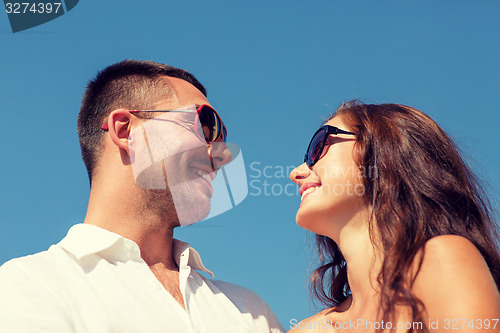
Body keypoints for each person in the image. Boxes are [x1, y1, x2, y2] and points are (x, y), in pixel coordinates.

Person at [0, 59, 284, 333]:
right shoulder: (26, 289)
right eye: (206, 124)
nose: (222, 154)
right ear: (125, 130)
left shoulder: (251, 311)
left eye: (221, 136)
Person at [288, 101, 500, 332]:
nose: (295, 173)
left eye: (318, 146)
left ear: (384, 151)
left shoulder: (439, 259)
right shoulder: (308, 329)